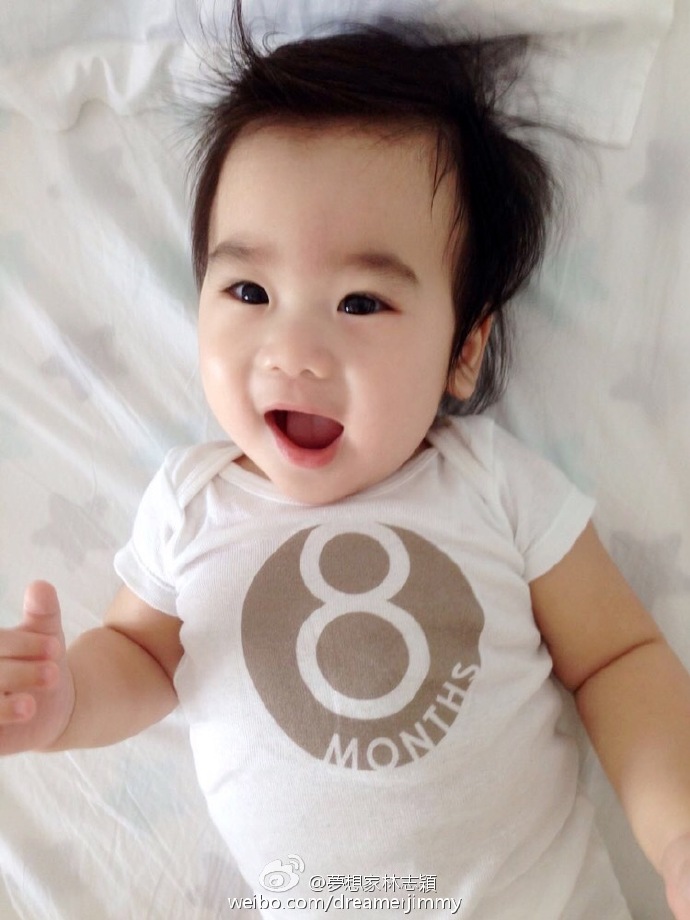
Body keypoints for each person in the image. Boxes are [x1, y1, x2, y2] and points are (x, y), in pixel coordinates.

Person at [2, 3, 690, 917]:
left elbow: (616, 658)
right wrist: (63, 704)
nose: (294, 351)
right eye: (250, 290)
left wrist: (676, 834)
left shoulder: (491, 485)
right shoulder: (194, 504)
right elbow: (138, 656)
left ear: (463, 352)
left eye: (362, 303)